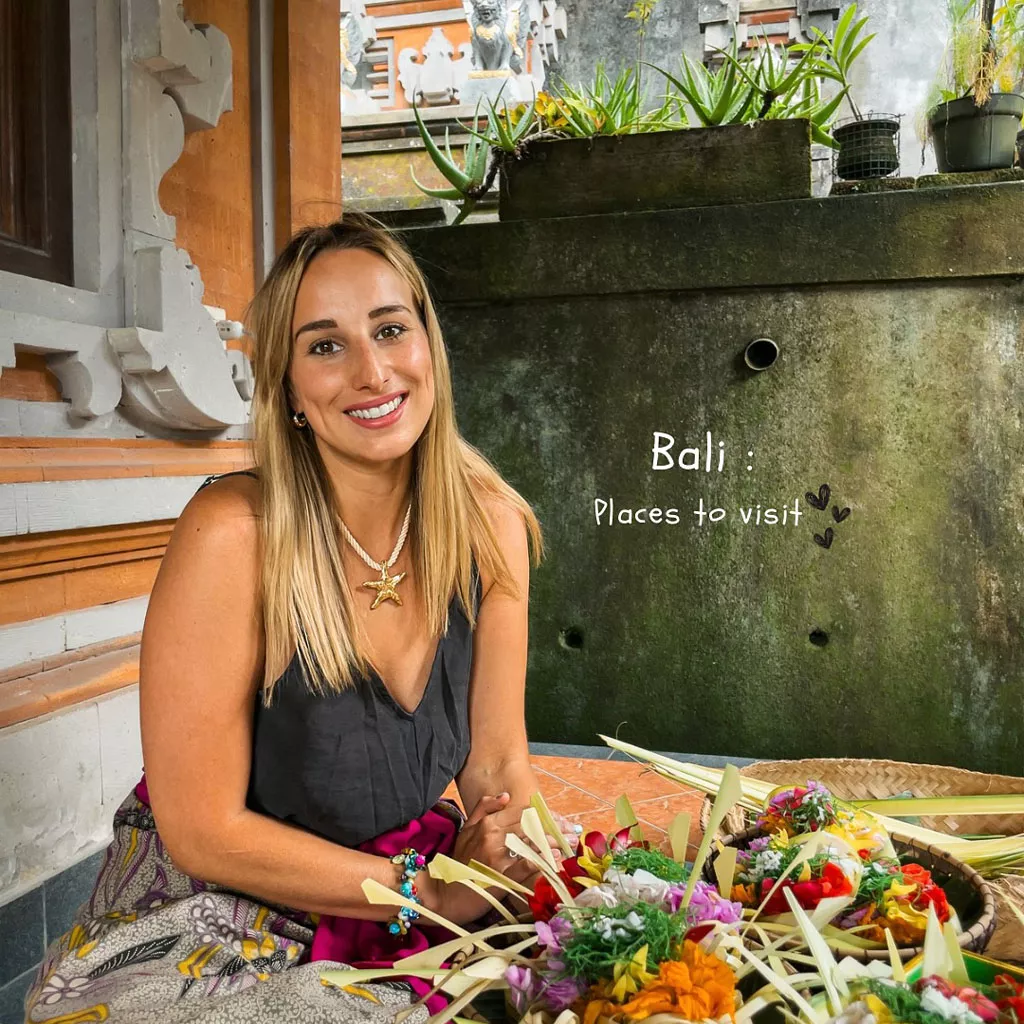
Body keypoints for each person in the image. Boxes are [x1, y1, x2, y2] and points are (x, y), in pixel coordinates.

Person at [26, 213, 545, 1024]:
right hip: (226, 904)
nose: (373, 372)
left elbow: (497, 760)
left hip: (419, 882)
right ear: (290, 388)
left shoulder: (491, 525)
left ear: (428, 346)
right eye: (326, 345)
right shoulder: (234, 534)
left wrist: (508, 855)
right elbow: (204, 832)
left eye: (390, 329)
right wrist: (424, 892)